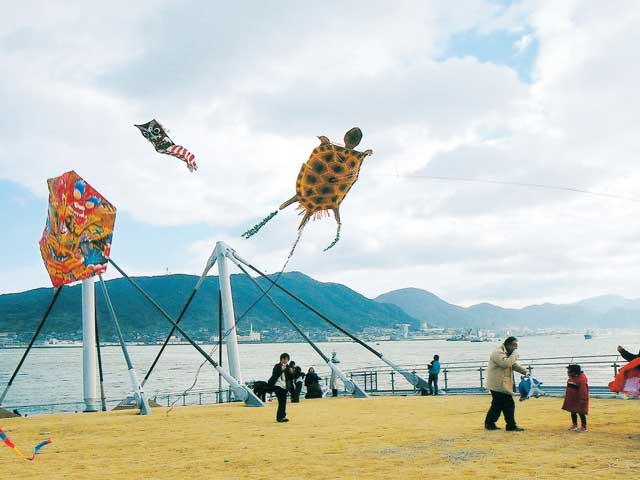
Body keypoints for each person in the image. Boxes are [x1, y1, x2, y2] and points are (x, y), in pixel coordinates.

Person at [484, 336, 527, 432]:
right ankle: (510, 425)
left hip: (499, 385)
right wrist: (515, 355)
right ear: (508, 344)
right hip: (498, 384)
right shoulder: (497, 352)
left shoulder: (506, 353)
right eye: (514, 345)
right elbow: (506, 363)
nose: (516, 348)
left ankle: (490, 423)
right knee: (508, 404)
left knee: (497, 405)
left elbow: (512, 364)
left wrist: (525, 372)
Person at [562, 364, 589, 432]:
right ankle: (575, 425)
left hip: (579, 399)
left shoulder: (581, 380)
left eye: (569, 371)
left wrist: (583, 399)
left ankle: (584, 426)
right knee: (573, 412)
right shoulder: (572, 378)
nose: (567, 373)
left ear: (574, 372)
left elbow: (583, 390)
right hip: (572, 399)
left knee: (581, 412)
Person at [268, 353, 293, 423]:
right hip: (277, 385)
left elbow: (290, 378)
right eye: (284, 359)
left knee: (284, 402)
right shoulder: (277, 366)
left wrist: (291, 373)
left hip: (285, 386)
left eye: (287, 359)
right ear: (281, 359)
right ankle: (279, 417)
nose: (286, 361)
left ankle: (283, 416)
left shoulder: (288, 367)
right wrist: (281, 370)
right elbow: (274, 374)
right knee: (281, 402)